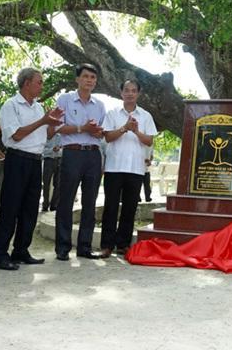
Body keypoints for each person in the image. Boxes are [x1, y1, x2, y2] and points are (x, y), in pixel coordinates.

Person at [0, 68, 64, 270]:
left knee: (30, 209)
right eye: (39, 82)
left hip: (35, 160)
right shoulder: (11, 105)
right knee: (10, 208)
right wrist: (43, 120)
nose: (42, 86)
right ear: (26, 83)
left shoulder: (38, 108)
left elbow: (47, 136)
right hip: (17, 159)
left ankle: (21, 250)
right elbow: (16, 135)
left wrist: (53, 122)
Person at [54, 64, 106, 261]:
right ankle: (63, 247)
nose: (89, 80)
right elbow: (58, 127)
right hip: (72, 153)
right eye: (85, 76)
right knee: (66, 200)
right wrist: (81, 128)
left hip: (93, 155)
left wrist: (96, 131)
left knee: (90, 202)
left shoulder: (100, 105)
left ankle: (84, 246)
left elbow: (102, 132)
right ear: (77, 79)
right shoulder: (65, 100)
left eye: (93, 77)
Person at [100, 79, 156, 258]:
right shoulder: (112, 113)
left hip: (136, 169)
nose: (130, 93)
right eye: (127, 90)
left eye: (134, 90)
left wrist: (136, 131)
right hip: (114, 167)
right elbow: (108, 137)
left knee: (130, 208)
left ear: (138, 93)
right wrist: (125, 127)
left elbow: (149, 140)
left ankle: (123, 244)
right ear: (121, 93)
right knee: (110, 207)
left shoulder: (145, 115)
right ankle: (106, 245)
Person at [41, 132, 62, 211]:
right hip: (48, 160)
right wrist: (52, 149)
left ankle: (54, 205)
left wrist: (59, 150)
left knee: (58, 184)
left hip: (59, 160)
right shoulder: (45, 136)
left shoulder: (61, 137)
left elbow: (63, 149)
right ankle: (45, 204)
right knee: (46, 183)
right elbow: (42, 150)